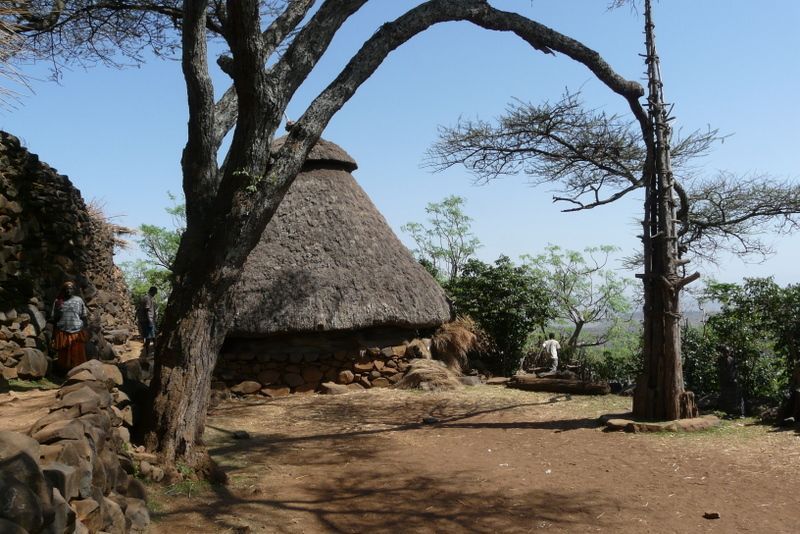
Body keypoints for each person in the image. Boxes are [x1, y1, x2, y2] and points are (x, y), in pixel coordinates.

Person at [50, 281, 88, 372]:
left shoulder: (79, 300)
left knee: (77, 353)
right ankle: (64, 371)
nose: (68, 290)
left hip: (77, 331)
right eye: (66, 288)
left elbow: (84, 316)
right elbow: (55, 318)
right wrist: (53, 335)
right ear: (63, 290)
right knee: (64, 354)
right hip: (63, 331)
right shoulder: (58, 301)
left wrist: (85, 329)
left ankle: (78, 372)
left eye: (70, 288)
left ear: (74, 290)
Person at [137, 286, 158, 357]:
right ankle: (152, 353)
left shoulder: (145, 297)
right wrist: (150, 321)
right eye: (155, 292)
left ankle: (148, 353)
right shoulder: (148, 298)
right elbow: (147, 310)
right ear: (152, 291)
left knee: (149, 337)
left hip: (145, 320)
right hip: (148, 321)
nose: (155, 294)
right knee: (152, 337)